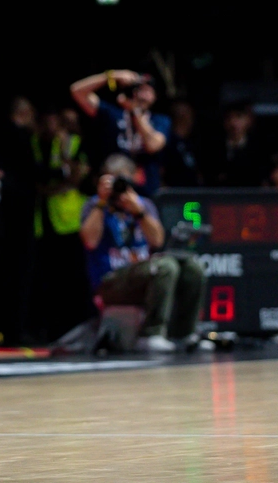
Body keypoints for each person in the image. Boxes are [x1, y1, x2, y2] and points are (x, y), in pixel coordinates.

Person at [79, 155, 206, 352]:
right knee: (165, 267)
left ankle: (185, 334)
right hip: (111, 281)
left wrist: (138, 212)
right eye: (114, 182)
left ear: (134, 179)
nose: (119, 189)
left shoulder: (143, 205)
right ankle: (151, 334)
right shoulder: (95, 205)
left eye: (124, 181)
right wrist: (102, 202)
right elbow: (90, 240)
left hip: (142, 275)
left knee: (191, 267)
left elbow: (157, 240)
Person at [69, 69, 169, 195]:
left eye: (147, 91)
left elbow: (153, 145)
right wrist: (112, 76)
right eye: (139, 90)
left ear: (155, 96)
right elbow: (77, 91)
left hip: (146, 193)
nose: (142, 95)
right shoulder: (113, 114)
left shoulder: (160, 120)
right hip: (111, 190)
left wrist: (134, 111)